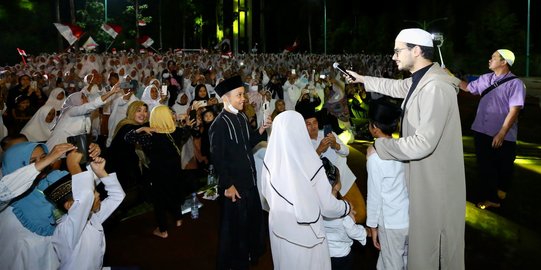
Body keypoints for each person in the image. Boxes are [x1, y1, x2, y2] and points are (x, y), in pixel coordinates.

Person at [346, 28, 465, 269]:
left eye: (398, 51)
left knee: (432, 250)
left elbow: (423, 143)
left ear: (417, 50)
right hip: (424, 179)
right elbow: (396, 88)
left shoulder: (435, 87)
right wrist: (362, 79)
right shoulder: (422, 79)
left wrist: (382, 145)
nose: (393, 56)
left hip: (435, 186)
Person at [261, 110, 353, 270]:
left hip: (280, 230)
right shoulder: (311, 162)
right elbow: (328, 207)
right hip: (307, 236)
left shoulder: (270, 162)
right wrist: (347, 207)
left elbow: (266, 195)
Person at [209, 75, 271, 269]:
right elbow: (217, 159)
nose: (243, 98)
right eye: (239, 95)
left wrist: (261, 129)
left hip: (250, 183)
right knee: (235, 230)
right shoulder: (218, 125)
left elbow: (248, 142)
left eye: (243, 94)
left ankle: (251, 255)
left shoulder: (242, 117)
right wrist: (227, 185)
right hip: (234, 188)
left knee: (252, 223)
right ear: (226, 98)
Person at [457, 49, 526, 210]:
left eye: (494, 57)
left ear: (504, 62)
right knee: (485, 166)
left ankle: (502, 189)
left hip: (503, 134)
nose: (490, 60)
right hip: (481, 130)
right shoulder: (485, 78)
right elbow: (467, 88)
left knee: (504, 166)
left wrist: (502, 132)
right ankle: (492, 198)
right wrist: (450, 77)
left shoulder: (515, 84)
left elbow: (514, 110)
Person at [0, 142, 76, 269]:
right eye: (33, 161)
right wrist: (47, 160)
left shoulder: (49, 182)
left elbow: (84, 188)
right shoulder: (8, 196)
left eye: (44, 156)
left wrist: (93, 161)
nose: (43, 163)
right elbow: (6, 190)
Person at [45, 153, 125, 270]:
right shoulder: (67, 228)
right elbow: (84, 198)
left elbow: (117, 196)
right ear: (69, 205)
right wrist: (73, 164)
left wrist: (100, 172)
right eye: (93, 193)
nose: (98, 194)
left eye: (95, 190)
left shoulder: (92, 216)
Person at [126, 105, 195, 239]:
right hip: (175, 170)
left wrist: (141, 128)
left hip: (158, 174)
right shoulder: (176, 132)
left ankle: (162, 230)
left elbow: (128, 138)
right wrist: (187, 125)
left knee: (159, 201)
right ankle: (178, 219)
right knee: (174, 193)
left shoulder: (150, 136)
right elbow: (186, 132)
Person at [298, 106, 367, 223]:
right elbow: (305, 167)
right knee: (330, 218)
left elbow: (347, 151)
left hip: (343, 177)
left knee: (360, 213)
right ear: (303, 126)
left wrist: (335, 145)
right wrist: (319, 150)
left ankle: (352, 232)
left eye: (314, 122)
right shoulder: (301, 143)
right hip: (322, 186)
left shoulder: (328, 134)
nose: (313, 126)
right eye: (308, 124)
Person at [365, 99, 409, 270]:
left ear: (374, 127)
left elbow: (375, 195)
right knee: (404, 261)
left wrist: (372, 226)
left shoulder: (375, 157)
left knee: (392, 265)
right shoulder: (404, 146)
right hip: (409, 216)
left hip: (390, 221)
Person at [322, 169, 368, 270]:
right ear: (337, 186)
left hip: (323, 254)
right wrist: (366, 231)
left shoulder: (316, 207)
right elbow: (353, 232)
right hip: (342, 256)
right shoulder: (343, 213)